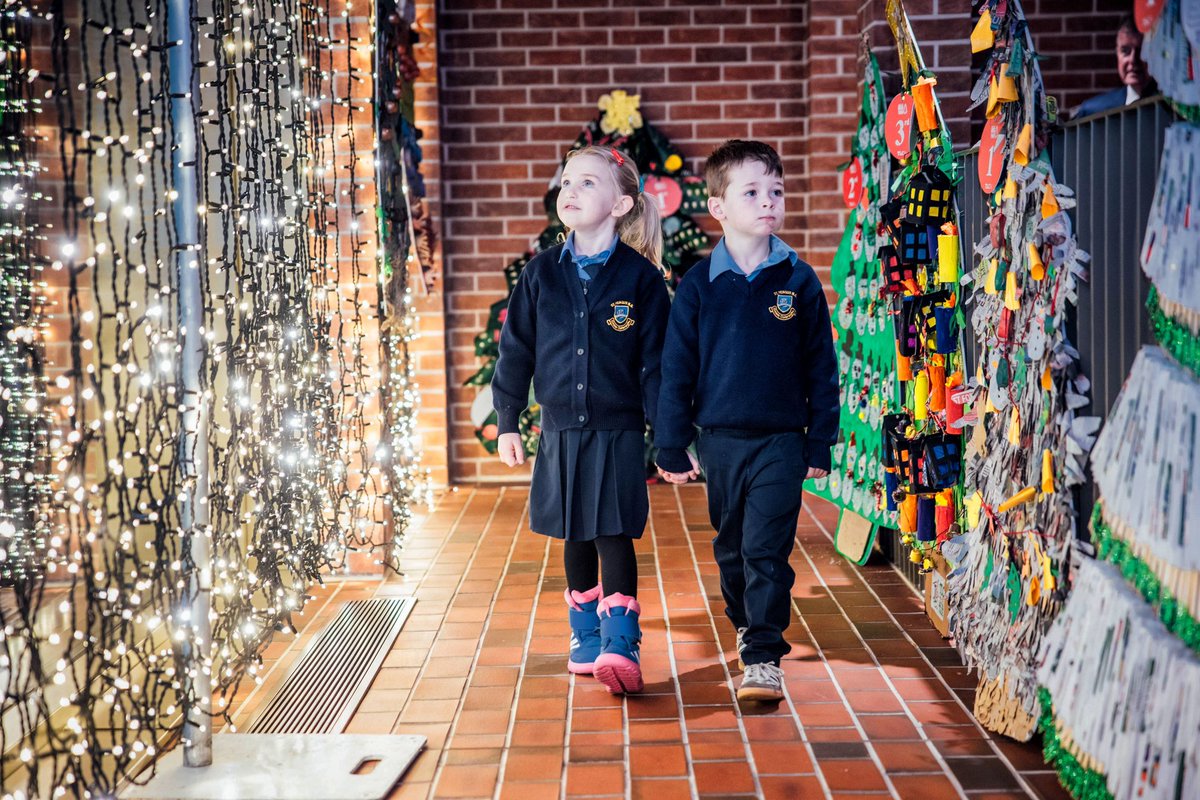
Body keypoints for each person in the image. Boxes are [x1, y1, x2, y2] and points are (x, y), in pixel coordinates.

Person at [654, 140, 839, 703]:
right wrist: (670, 442)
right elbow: (676, 369)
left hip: (782, 440)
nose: (768, 202)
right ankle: (742, 617)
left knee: (766, 548)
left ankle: (762, 654)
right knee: (732, 547)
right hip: (720, 442)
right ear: (719, 208)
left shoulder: (799, 281)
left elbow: (821, 368)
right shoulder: (698, 285)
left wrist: (820, 441)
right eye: (752, 192)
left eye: (776, 191)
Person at [492, 145, 670, 695]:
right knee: (573, 531)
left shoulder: (640, 281)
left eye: (587, 183)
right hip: (559, 431)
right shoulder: (542, 274)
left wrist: (668, 438)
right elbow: (515, 350)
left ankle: (621, 643)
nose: (570, 191)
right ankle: (585, 636)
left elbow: (658, 364)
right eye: (566, 182)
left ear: (621, 203)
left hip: (617, 431)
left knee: (612, 530)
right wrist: (506, 421)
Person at [1073, 13, 1158, 119]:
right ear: (1117, 53)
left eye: (1141, 51)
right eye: (1125, 51)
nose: (1133, 60)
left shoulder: (1173, 108)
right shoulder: (1093, 112)